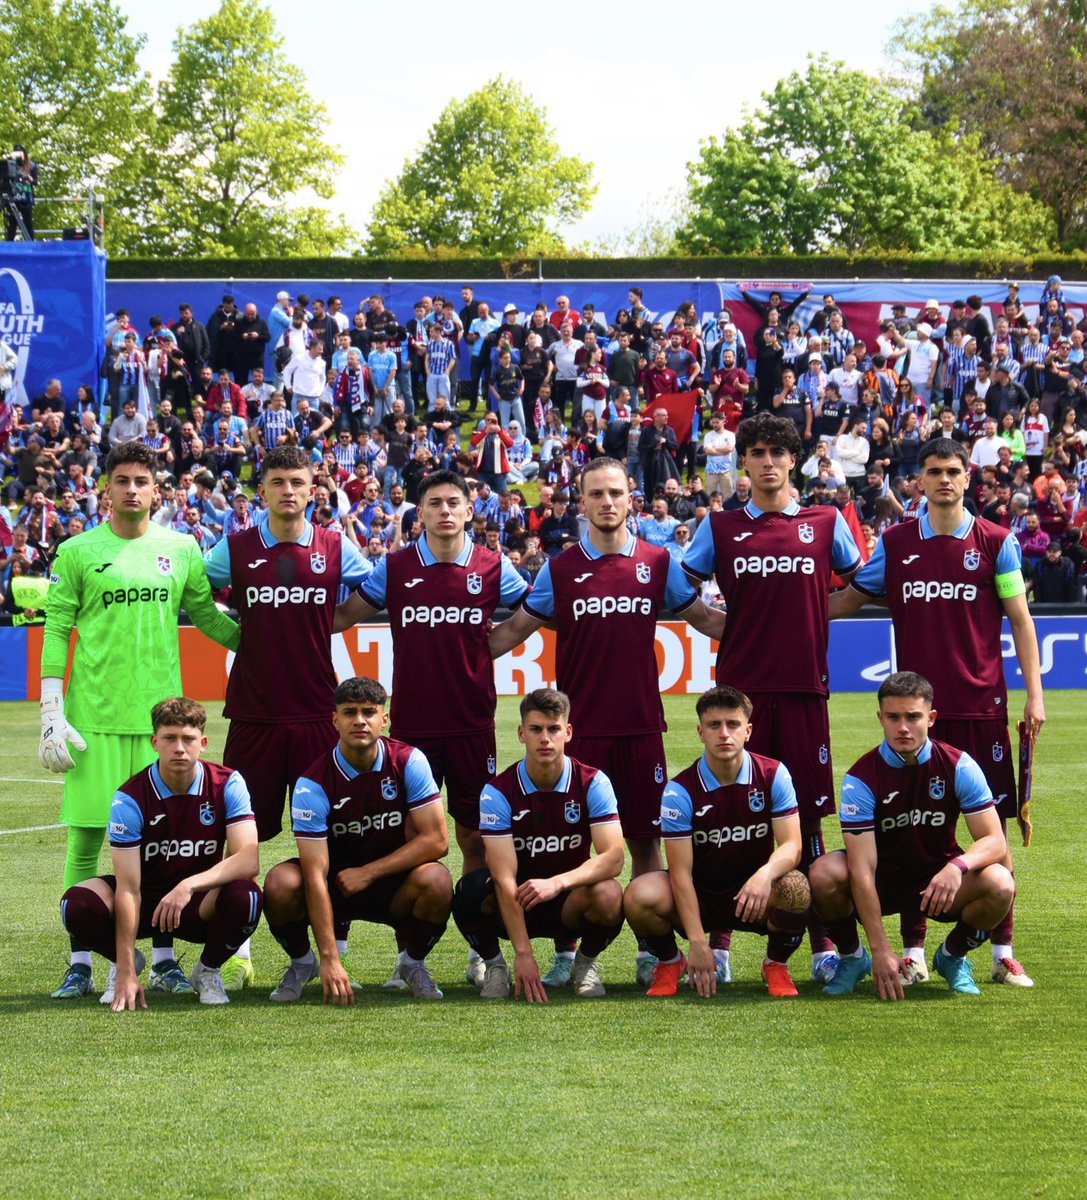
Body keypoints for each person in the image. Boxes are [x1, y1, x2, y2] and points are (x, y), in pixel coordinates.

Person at [488, 458, 726, 985]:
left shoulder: (658, 562)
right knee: (572, 840)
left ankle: (651, 950)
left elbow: (705, 619)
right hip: (581, 731)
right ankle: (567, 955)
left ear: (630, 498)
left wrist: (767, 631)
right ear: (582, 501)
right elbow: (516, 629)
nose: (607, 501)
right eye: (596, 493)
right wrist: (454, 653)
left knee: (645, 841)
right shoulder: (561, 568)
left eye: (616, 492)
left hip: (641, 726)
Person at [830, 436, 1044, 986]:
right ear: (918, 481)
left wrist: (1035, 695)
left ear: (968, 478)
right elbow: (850, 598)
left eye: (953, 470)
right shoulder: (898, 543)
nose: (943, 479)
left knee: (989, 832)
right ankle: (916, 953)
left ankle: (1001, 954)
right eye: (933, 470)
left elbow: (1020, 619)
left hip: (980, 707)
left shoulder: (997, 543)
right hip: (918, 711)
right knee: (914, 831)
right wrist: (782, 613)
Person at [40, 441, 241, 999]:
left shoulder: (180, 548)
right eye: (122, 479)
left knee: (166, 845)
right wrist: (51, 707)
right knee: (85, 840)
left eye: (141, 481)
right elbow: (57, 629)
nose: (132, 489)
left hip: (161, 722)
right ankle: (80, 961)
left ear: (157, 490)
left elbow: (208, 618)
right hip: (94, 719)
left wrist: (271, 644)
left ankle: (165, 957)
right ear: (106, 488)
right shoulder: (77, 551)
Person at [683, 413, 862, 983]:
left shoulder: (826, 520)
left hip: (805, 690)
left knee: (806, 820)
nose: (766, 461)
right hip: (741, 696)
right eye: (755, 452)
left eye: (776, 452)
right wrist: (724, 629)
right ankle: (722, 940)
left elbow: (859, 585)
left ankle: (822, 943)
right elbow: (680, 592)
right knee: (732, 815)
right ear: (744, 462)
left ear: (793, 460)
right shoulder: (721, 526)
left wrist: (816, 616)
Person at [333, 470, 529, 987]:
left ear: (469, 510)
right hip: (413, 726)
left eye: (454, 503)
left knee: (475, 837)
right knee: (410, 835)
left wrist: (484, 649)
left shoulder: (492, 565)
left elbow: (534, 612)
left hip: (470, 723)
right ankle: (408, 958)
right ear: (419, 513)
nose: (445, 511)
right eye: (434, 503)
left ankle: (479, 946)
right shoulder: (395, 567)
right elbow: (347, 614)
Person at [200, 444, 373, 985]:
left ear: (312, 489)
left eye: (298, 482)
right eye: (277, 482)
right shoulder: (233, 548)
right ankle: (236, 944)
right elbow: (192, 589)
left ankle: (331, 946)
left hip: (316, 713)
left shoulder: (336, 547)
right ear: (263, 491)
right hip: (253, 713)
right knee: (239, 834)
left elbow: (374, 590)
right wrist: (237, 633)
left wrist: (334, 620)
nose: (289, 491)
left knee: (327, 834)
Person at [810, 672, 1014, 999]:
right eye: (893, 717)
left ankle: (952, 957)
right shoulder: (861, 778)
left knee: (1001, 883)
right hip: (883, 883)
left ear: (931, 718)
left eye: (913, 717)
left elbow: (994, 840)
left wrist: (955, 868)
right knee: (823, 874)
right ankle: (853, 959)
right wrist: (880, 949)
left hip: (938, 883)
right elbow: (862, 869)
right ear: (881, 718)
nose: (903, 727)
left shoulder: (959, 766)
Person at [57, 696, 261, 1009]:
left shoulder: (228, 784)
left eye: (188, 739)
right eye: (169, 738)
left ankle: (207, 971)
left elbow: (248, 859)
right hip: (144, 901)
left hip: (196, 903)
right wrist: (125, 966)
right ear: (155, 742)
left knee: (247, 895)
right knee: (76, 904)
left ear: (203, 742)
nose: (179, 748)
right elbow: (128, 888)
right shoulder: (130, 798)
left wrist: (188, 885)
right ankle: (127, 963)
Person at [262, 676, 450, 1003]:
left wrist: (370, 872)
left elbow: (437, 841)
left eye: (369, 712)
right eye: (349, 712)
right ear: (335, 720)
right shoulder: (313, 784)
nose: (359, 720)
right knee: (280, 883)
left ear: (384, 719)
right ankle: (302, 961)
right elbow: (315, 874)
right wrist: (329, 958)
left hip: (393, 885)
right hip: (334, 886)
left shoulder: (409, 761)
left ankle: (412, 963)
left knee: (437, 879)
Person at [623, 686, 812, 997]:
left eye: (733, 725)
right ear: (701, 732)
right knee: (638, 894)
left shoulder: (774, 774)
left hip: (753, 895)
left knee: (797, 887)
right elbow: (680, 873)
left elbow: (792, 846)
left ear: (748, 731)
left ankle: (776, 964)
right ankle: (671, 961)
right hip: (701, 897)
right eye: (714, 725)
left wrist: (764, 875)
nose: (724, 734)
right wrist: (698, 942)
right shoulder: (679, 791)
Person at [451, 688, 626, 1001]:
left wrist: (557, 883)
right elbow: (504, 877)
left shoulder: (593, 782)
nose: (545, 738)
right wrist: (524, 954)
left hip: (568, 900)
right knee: (470, 890)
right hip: (517, 901)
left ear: (568, 732)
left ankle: (584, 964)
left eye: (553, 729)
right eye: (535, 729)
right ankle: (495, 965)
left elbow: (613, 858)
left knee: (610, 893)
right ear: (521, 734)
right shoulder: (498, 792)